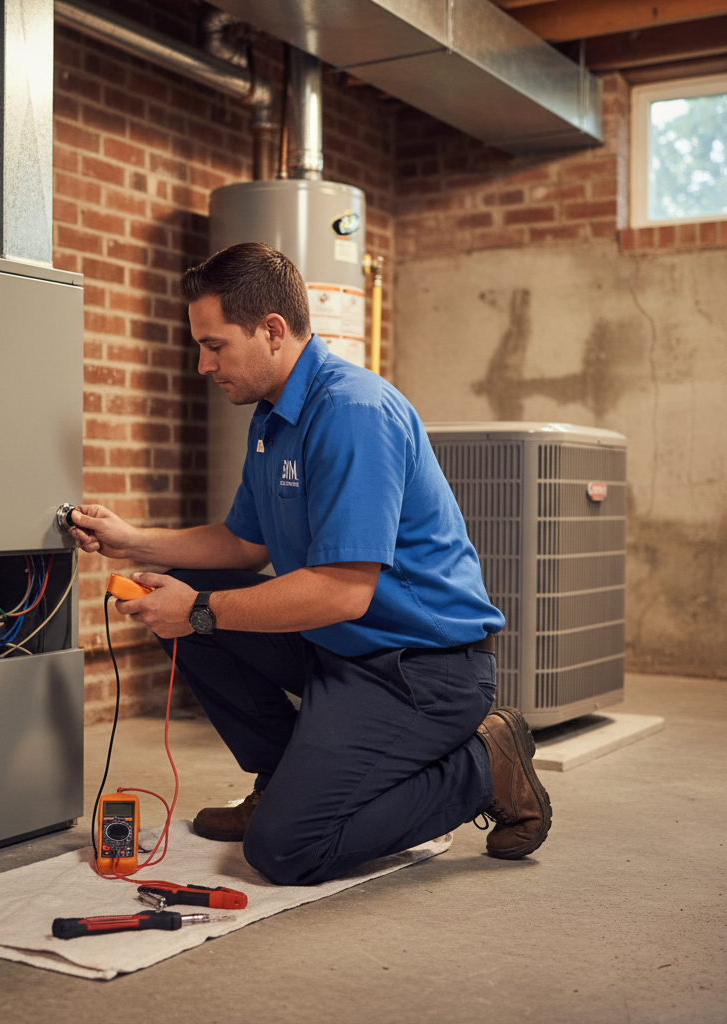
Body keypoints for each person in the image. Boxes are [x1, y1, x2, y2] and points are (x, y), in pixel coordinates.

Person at [68, 242, 551, 886]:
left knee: (286, 851)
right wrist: (133, 542)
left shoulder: (353, 412)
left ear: (271, 331)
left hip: (420, 669)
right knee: (192, 597)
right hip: (339, 648)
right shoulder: (271, 416)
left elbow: (343, 594)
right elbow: (244, 545)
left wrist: (200, 611)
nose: (203, 364)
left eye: (215, 345)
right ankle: (282, 777)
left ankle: (484, 766)